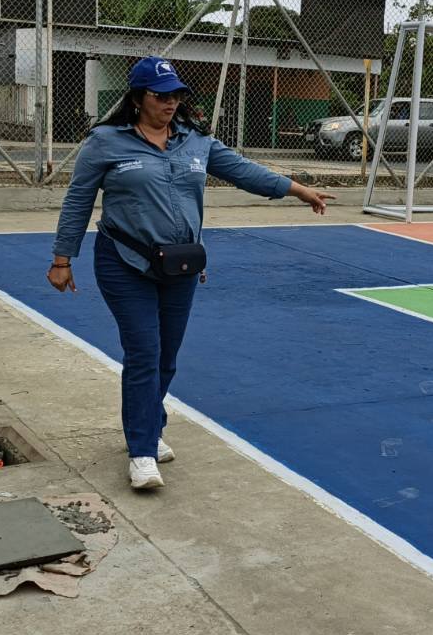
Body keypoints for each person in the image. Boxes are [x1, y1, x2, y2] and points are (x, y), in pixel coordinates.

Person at [49, 56, 333, 491]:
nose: (170, 102)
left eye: (176, 95)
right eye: (161, 95)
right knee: (144, 353)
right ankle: (142, 451)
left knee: (167, 357)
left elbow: (244, 171)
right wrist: (62, 259)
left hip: (180, 264)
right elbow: (78, 199)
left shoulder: (196, 141)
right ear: (138, 98)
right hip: (124, 263)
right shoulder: (106, 142)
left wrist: (297, 190)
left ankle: (149, 423)